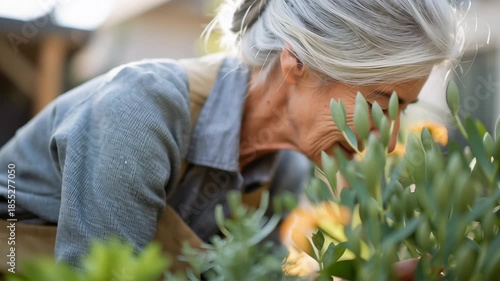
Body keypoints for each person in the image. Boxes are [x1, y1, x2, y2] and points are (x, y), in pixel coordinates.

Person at [0, 0, 463, 274]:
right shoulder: (141, 113)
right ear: (296, 63)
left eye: (404, 110)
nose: (390, 133)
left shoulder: (282, 170)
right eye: (382, 104)